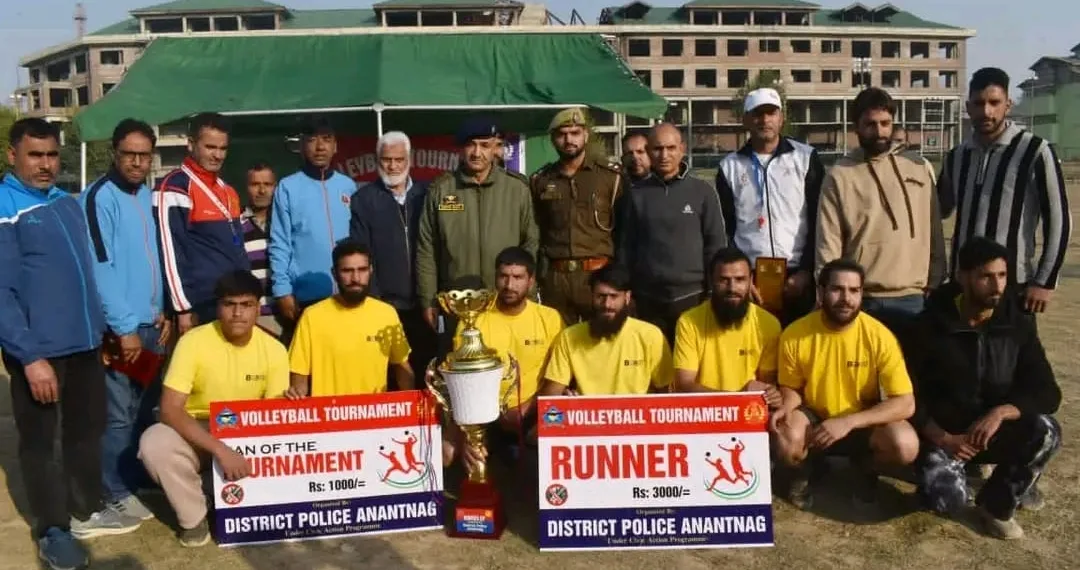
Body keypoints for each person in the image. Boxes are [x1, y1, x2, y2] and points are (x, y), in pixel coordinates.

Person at [1, 118, 138, 570]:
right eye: (35, 155)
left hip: (83, 345)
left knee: (86, 432)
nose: (45, 165)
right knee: (40, 444)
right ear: (12, 156)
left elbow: (85, 274)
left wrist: (97, 331)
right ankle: (53, 529)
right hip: (39, 352)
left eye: (52, 155)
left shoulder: (66, 203)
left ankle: (85, 508)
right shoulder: (6, 207)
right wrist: (29, 356)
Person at [907, 237, 1061, 539]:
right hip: (945, 437)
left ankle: (996, 504)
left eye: (1002, 276)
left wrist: (1003, 412)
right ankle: (946, 478)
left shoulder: (1017, 324)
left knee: (1046, 430)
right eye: (986, 276)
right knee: (946, 501)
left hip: (992, 432)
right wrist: (943, 437)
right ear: (963, 277)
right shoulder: (930, 326)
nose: (997, 285)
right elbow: (908, 393)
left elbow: (1047, 390)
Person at [138, 271, 289, 547]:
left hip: (247, 436)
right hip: (198, 429)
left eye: (246, 305)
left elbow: (273, 418)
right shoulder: (193, 342)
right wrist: (220, 449)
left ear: (258, 307)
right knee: (154, 442)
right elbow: (170, 409)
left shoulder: (275, 349)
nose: (237, 313)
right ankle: (194, 518)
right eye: (230, 304)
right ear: (218, 307)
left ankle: (217, 495)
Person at [772, 259, 919, 509]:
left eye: (854, 290)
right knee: (786, 436)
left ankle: (865, 468)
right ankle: (805, 470)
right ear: (820, 292)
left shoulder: (880, 336)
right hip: (815, 417)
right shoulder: (795, 334)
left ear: (862, 293)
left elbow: (905, 403)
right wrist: (786, 406)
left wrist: (848, 422)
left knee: (905, 445)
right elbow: (792, 388)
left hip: (861, 418)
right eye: (837, 289)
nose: (846, 298)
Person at [80, 118, 170, 523]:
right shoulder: (99, 198)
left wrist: (162, 311)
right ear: (114, 153)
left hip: (152, 324)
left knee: (143, 407)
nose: (136, 162)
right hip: (123, 331)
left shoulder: (147, 195)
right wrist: (124, 328)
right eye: (129, 154)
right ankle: (114, 490)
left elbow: (155, 260)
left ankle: (133, 477)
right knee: (117, 412)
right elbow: (101, 268)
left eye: (143, 155)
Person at [939, 67, 1071, 315]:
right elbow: (937, 211)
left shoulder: (1035, 151)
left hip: (1011, 285)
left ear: (1007, 105)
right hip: (963, 284)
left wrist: (1045, 281)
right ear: (968, 107)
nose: (986, 111)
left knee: (1009, 354)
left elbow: (1059, 220)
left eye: (994, 102)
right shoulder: (957, 156)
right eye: (978, 103)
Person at [815, 87, 946, 335]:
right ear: (856, 127)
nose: (879, 131)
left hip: (914, 298)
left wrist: (936, 278)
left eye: (885, 123)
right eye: (870, 124)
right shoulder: (840, 174)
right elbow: (828, 242)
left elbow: (934, 228)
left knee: (910, 372)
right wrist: (827, 292)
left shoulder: (918, 166)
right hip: (862, 299)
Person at [416, 116, 539, 353]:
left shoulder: (516, 189)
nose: (476, 152)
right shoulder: (442, 190)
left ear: (496, 148)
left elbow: (531, 243)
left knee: (506, 368)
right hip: (456, 305)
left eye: (484, 145)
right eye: (470, 145)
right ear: (461, 149)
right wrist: (428, 299)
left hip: (505, 301)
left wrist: (527, 291)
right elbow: (426, 248)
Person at [443, 247, 564, 473]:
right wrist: (467, 431)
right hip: (483, 412)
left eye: (517, 277)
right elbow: (463, 382)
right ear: (495, 278)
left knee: (557, 427)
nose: (509, 285)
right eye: (503, 276)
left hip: (532, 409)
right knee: (447, 452)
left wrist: (528, 408)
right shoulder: (473, 320)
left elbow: (556, 377)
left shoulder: (549, 318)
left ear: (531, 281)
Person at [715, 88, 825, 325]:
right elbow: (727, 228)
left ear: (781, 117)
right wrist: (740, 276)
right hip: (751, 277)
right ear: (745, 119)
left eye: (771, 113)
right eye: (757, 114)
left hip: (797, 274)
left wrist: (807, 270)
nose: (765, 120)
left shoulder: (805, 158)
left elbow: (819, 219)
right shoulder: (729, 166)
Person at [616, 123, 727, 344]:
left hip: (693, 297)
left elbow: (715, 246)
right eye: (657, 149)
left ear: (682, 149)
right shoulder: (634, 195)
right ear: (649, 151)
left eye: (670, 148)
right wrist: (626, 290)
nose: (664, 155)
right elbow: (625, 248)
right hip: (648, 299)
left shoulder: (702, 192)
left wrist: (713, 292)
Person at [350, 131, 435, 378]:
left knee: (427, 370)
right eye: (387, 159)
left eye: (399, 159)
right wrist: (376, 301)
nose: (393, 165)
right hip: (386, 305)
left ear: (409, 159)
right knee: (391, 373)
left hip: (425, 305)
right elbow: (362, 253)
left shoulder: (428, 195)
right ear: (378, 160)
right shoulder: (363, 200)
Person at [155, 112, 249, 334]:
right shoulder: (174, 187)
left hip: (232, 304)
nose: (217, 155)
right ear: (191, 144)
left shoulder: (228, 191)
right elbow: (170, 252)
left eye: (223, 148)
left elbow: (238, 248)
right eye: (210, 147)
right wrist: (182, 308)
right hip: (199, 306)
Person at [285, 241, 414, 398]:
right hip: (327, 418)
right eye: (347, 271)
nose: (356, 278)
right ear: (334, 273)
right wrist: (297, 396)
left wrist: (411, 406)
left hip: (375, 417)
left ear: (371, 270)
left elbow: (402, 367)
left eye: (362, 269)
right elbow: (299, 374)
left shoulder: (386, 314)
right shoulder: (312, 316)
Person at [530, 108, 623, 324]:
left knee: (601, 340)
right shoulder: (541, 180)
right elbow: (537, 229)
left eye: (575, 133)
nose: (568, 140)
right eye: (562, 134)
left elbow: (623, 231)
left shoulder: (610, 177)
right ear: (553, 139)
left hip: (598, 274)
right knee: (557, 340)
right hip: (556, 277)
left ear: (586, 136)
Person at [270, 117, 355, 340]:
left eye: (326, 139)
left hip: (348, 293)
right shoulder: (287, 187)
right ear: (302, 145)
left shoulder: (348, 186)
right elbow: (279, 243)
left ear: (335, 146)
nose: (320, 147)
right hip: (307, 297)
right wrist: (282, 290)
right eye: (312, 140)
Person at [538, 264, 673, 397]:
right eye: (601, 297)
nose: (607, 305)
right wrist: (565, 400)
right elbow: (550, 399)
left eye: (614, 297)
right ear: (592, 296)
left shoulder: (650, 336)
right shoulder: (569, 337)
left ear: (627, 297)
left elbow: (667, 395)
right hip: (587, 416)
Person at [672, 247, 782, 408]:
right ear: (711, 281)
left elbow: (767, 383)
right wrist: (737, 399)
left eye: (740, 279)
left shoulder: (768, 324)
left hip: (749, 412)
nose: (732, 288)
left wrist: (772, 394)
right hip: (703, 411)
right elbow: (684, 385)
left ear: (751, 281)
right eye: (724, 280)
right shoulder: (689, 321)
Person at [240, 162, 280, 336]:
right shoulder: (234, 224)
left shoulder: (286, 221)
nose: (262, 191)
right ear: (246, 188)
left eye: (268, 185)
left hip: (285, 311)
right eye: (255, 184)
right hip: (251, 317)